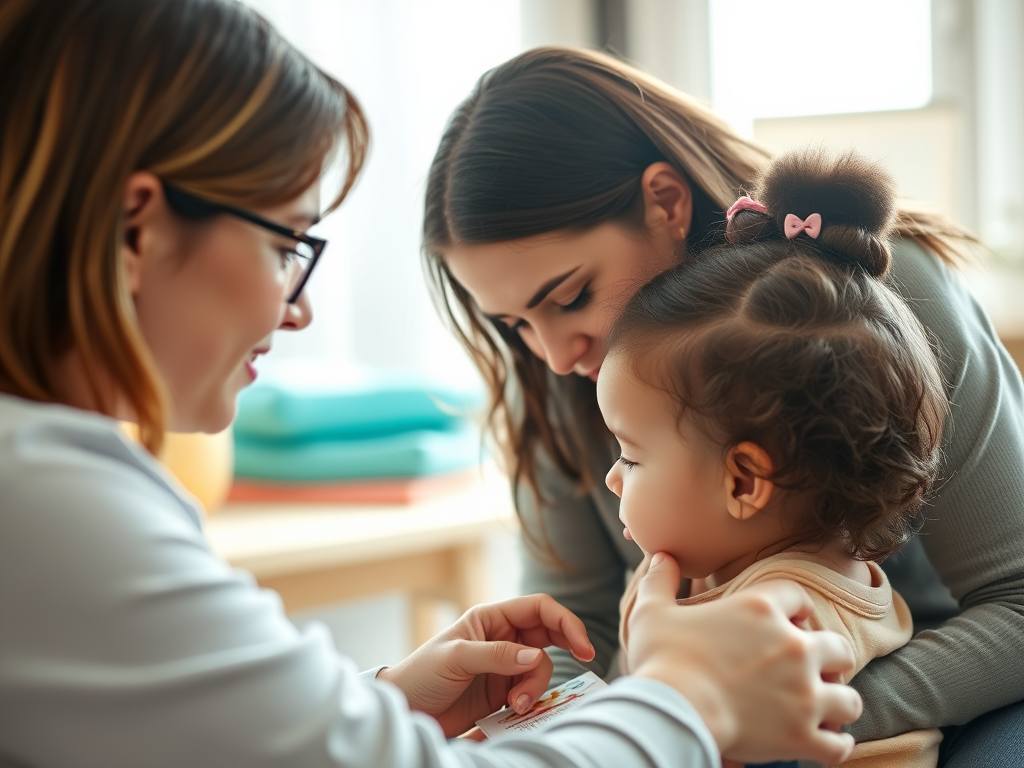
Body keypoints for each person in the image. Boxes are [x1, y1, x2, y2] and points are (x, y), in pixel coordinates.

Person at [0, 2, 862, 767]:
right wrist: (693, 703)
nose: (296, 312)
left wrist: (381, 708)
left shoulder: (51, 482)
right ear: (137, 228)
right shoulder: (45, 498)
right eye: (282, 244)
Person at [424, 47, 1024, 767]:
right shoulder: (554, 379)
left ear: (666, 201)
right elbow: (582, 636)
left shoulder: (880, 300)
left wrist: (791, 716)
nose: (552, 355)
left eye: (568, 295)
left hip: (944, 687)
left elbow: (1016, 601)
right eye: (513, 324)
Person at [604, 149, 946, 767]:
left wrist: (652, 638)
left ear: (743, 482)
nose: (611, 478)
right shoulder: (768, 568)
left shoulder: (781, 618)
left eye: (631, 457)